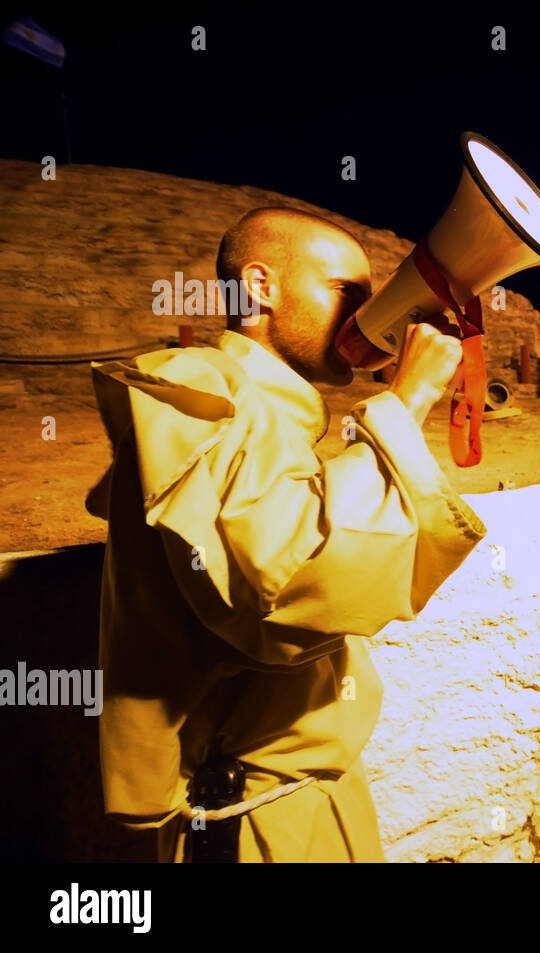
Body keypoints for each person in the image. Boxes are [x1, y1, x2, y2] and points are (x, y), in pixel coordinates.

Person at [85, 207, 487, 862]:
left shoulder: (266, 408)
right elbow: (284, 582)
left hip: (306, 794)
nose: (364, 319)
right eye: (346, 294)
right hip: (248, 819)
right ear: (261, 286)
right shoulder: (196, 391)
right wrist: (406, 400)